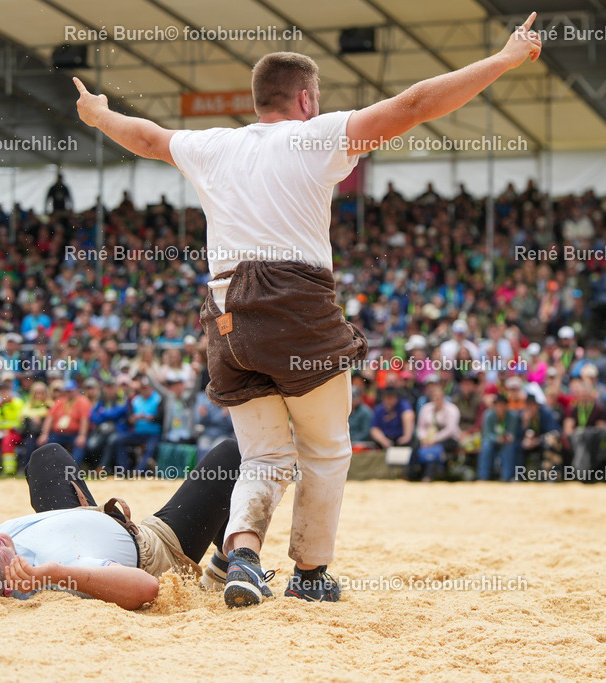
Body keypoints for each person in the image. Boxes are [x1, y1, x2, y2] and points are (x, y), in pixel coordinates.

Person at [73, 17, 542, 607]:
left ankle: (242, 555)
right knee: (324, 447)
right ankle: (311, 573)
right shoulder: (319, 135)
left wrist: (97, 116)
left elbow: (144, 137)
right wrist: (502, 59)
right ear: (306, 98)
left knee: (265, 453)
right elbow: (418, 102)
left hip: (223, 316)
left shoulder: (212, 145)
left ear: (257, 99)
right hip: (292, 305)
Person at [0, 440, 243, 609]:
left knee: (46, 456)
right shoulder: (54, 575)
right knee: (228, 457)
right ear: (9, 587)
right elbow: (146, 588)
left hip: (78, 517)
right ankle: (226, 564)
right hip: (152, 547)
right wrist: (51, 573)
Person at [415, 381, 461, 482]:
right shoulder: (426, 408)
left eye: (439, 397)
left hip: (448, 439)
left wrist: (434, 440)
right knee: (415, 445)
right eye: (435, 397)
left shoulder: (452, 409)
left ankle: (429, 476)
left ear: (444, 397)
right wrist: (423, 438)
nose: (437, 400)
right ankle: (411, 473)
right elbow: (420, 427)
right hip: (428, 438)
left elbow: (450, 430)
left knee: (436, 449)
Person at [38, 379, 91, 464]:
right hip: (59, 433)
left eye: (70, 391)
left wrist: (82, 435)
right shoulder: (60, 402)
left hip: (75, 433)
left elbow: (84, 420)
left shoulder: (82, 401)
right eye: (67, 391)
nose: (68, 393)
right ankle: (49, 467)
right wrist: (44, 434)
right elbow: (49, 419)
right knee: (47, 444)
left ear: (76, 390)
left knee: (80, 444)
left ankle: (73, 467)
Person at [478, 394, 518, 481]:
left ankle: (506, 476)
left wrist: (507, 437)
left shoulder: (512, 416)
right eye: (498, 405)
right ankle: (483, 476)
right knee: (486, 445)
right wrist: (497, 439)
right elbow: (487, 433)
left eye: (502, 405)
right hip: (492, 441)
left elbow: (512, 432)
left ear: (506, 406)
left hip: (506, 442)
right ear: (495, 406)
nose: (500, 408)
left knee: (509, 447)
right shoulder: (488, 415)